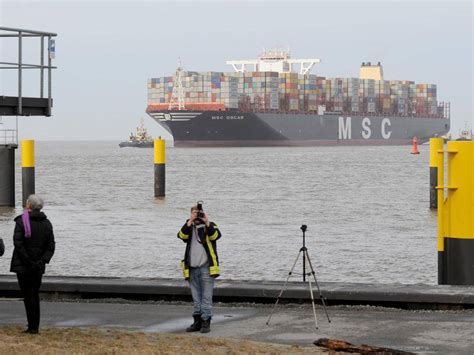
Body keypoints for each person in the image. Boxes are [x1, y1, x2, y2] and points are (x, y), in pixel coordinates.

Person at [10, 194, 55, 334]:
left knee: (27, 295)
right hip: (38, 267)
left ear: (28, 205)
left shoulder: (22, 221)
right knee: (34, 294)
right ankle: (35, 326)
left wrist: (28, 261)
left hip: (24, 266)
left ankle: (31, 326)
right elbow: (51, 246)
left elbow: (18, 244)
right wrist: (42, 261)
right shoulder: (47, 223)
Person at [177, 204, 222, 334]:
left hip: (207, 268)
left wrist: (206, 222)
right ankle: (197, 322)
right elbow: (181, 236)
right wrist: (190, 221)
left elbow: (216, 236)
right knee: (196, 298)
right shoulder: (189, 227)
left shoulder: (210, 226)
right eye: (194, 213)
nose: (197, 215)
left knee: (206, 298)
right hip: (191, 268)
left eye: (199, 213)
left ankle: (206, 321)